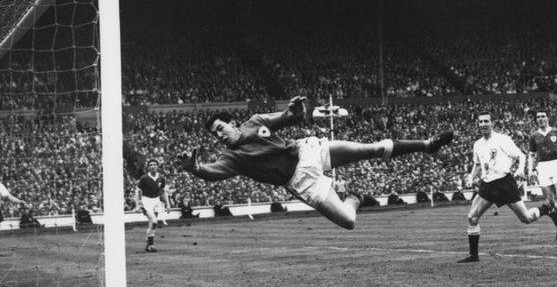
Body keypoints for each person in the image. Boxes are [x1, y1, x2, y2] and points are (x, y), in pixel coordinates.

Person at [178, 96, 453, 230]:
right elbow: (211, 173)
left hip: (307, 152)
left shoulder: (255, 122)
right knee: (349, 221)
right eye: (214, 134)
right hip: (301, 182)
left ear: (232, 123)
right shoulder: (232, 158)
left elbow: (288, 117)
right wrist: (194, 167)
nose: (219, 135)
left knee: (373, 148)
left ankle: (427, 145)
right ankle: (352, 197)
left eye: (220, 128)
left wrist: (296, 108)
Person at [457, 112, 557, 263]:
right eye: (481, 122)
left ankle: (547, 208)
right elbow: (477, 164)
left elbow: (521, 156)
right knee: (472, 217)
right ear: (478, 124)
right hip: (487, 184)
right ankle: (474, 255)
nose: (484, 124)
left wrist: (519, 170)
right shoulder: (477, 144)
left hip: (504, 183)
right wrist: (470, 176)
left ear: (492, 123)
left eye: (487, 121)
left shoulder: (502, 139)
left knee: (526, 218)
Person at [528, 110, 557, 240]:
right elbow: (531, 154)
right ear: (536, 120)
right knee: (550, 202)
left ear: (547, 118)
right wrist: (530, 170)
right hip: (542, 167)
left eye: (543, 116)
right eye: (538, 117)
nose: (540, 118)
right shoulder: (534, 136)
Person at [136, 159, 169, 253]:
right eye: (151, 165)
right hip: (146, 201)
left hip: (156, 201)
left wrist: (168, 204)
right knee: (154, 221)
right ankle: (148, 241)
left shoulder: (161, 178)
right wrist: (138, 204)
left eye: (155, 164)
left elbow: (163, 191)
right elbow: (138, 191)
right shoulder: (144, 178)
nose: (153, 166)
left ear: (157, 166)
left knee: (152, 223)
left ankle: (150, 245)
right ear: (148, 167)